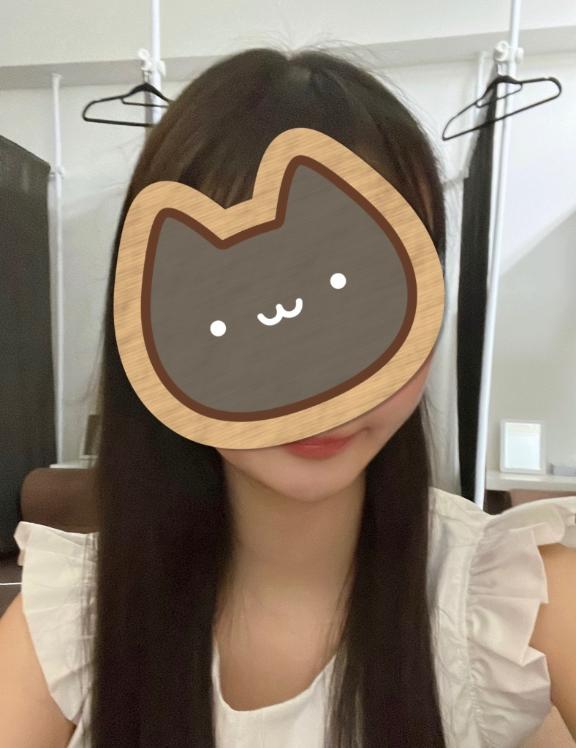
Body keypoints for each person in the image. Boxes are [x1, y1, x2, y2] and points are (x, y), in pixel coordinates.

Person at [1, 46, 576, 748]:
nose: (318, 387)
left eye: (361, 293)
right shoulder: (67, 625)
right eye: (238, 306)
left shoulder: (516, 600)